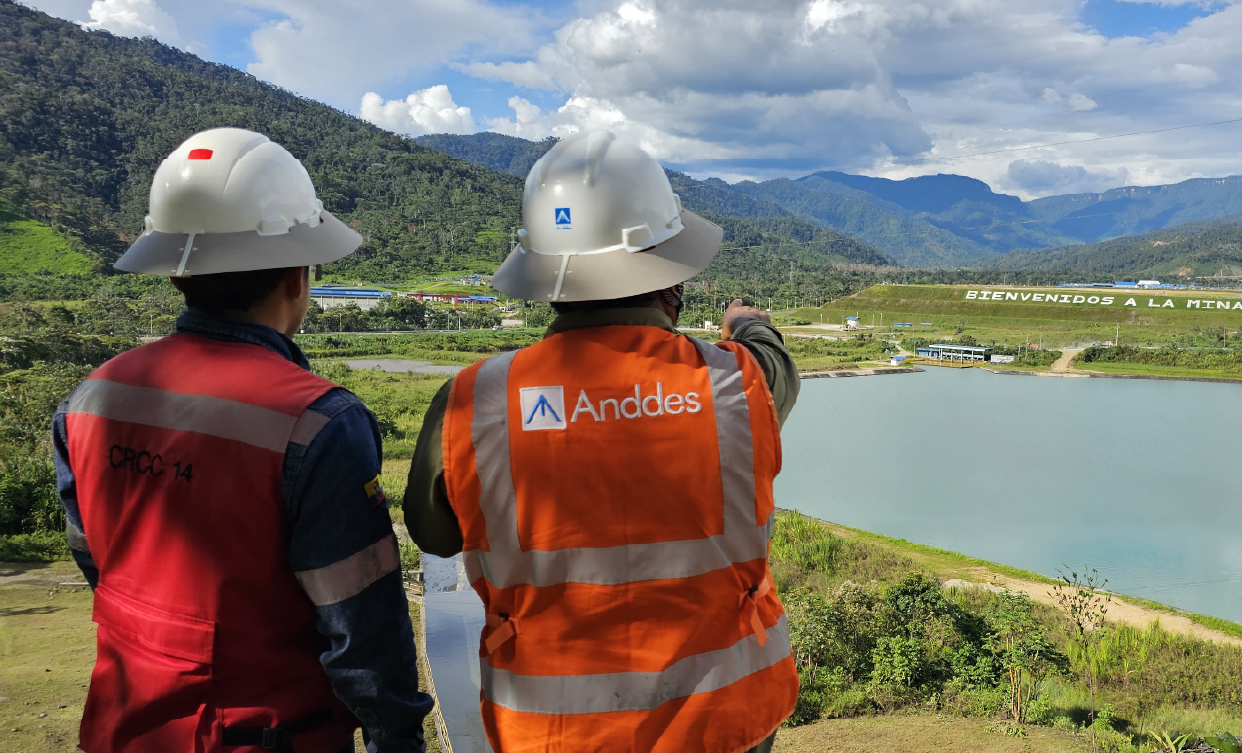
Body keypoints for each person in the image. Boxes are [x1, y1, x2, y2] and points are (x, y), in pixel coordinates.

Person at [403, 130, 799, 752]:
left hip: (552, 728)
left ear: (549, 283)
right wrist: (747, 324)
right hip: (722, 718)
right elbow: (773, 362)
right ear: (670, 279)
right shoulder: (737, 382)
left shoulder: (472, 402)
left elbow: (434, 534)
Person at [54, 128, 434, 753]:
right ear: (297, 275)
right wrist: (397, 737)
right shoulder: (318, 420)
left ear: (177, 276)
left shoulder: (90, 397)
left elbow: (96, 556)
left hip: (123, 722)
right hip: (268, 732)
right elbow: (361, 628)